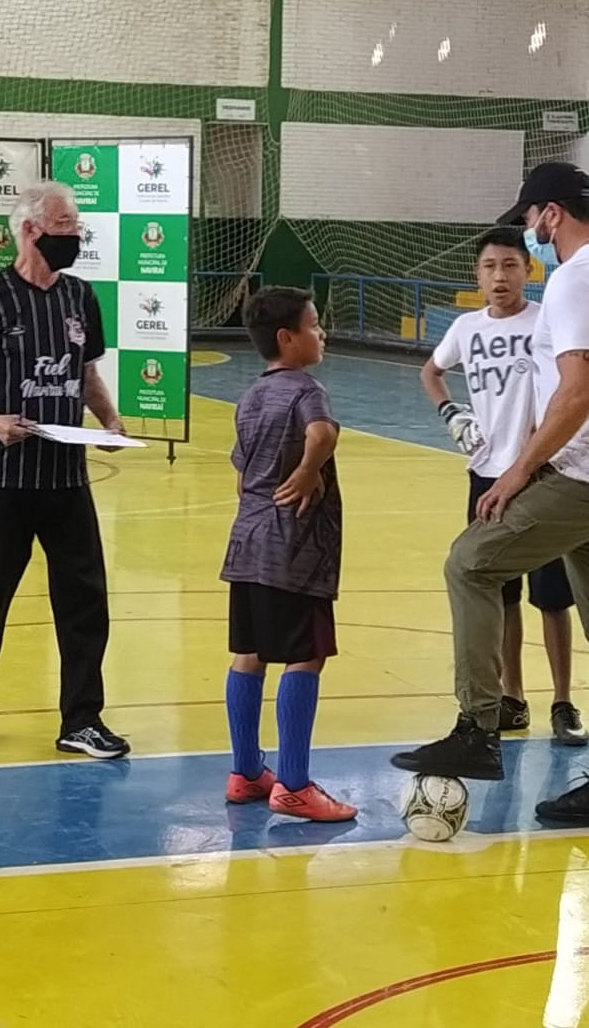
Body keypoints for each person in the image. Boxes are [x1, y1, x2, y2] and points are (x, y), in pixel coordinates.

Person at [392, 163, 589, 833]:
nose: (526, 234)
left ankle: (478, 728)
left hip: (588, 474)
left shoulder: (577, 277)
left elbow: (577, 392)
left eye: (527, 220)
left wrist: (517, 473)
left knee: (471, 563)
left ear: (549, 214)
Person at [0, 181, 129, 759]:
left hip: (67, 480)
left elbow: (87, 374)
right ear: (29, 230)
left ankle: (82, 718)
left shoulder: (80, 298)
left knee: (84, 600)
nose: (75, 237)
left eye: (76, 227)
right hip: (3, 481)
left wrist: (111, 421)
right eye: (65, 227)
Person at [421, 226, 587, 747]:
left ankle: (564, 700)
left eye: (511, 265)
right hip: (487, 474)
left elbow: (570, 385)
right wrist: (452, 413)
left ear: (528, 271)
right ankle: (512, 697)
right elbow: (432, 371)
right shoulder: (466, 328)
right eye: (490, 266)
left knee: (553, 598)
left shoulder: (547, 321)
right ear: (477, 275)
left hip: (541, 475)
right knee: (498, 593)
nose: (500, 276)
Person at [221, 286, 355, 822]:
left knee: (249, 652)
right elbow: (321, 435)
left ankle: (247, 771)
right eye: (315, 324)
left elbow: (239, 474)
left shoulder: (250, 397)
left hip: (246, 541)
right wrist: (305, 472)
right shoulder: (306, 388)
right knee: (306, 653)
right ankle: (295, 785)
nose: (322, 332)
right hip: (293, 549)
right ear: (287, 338)